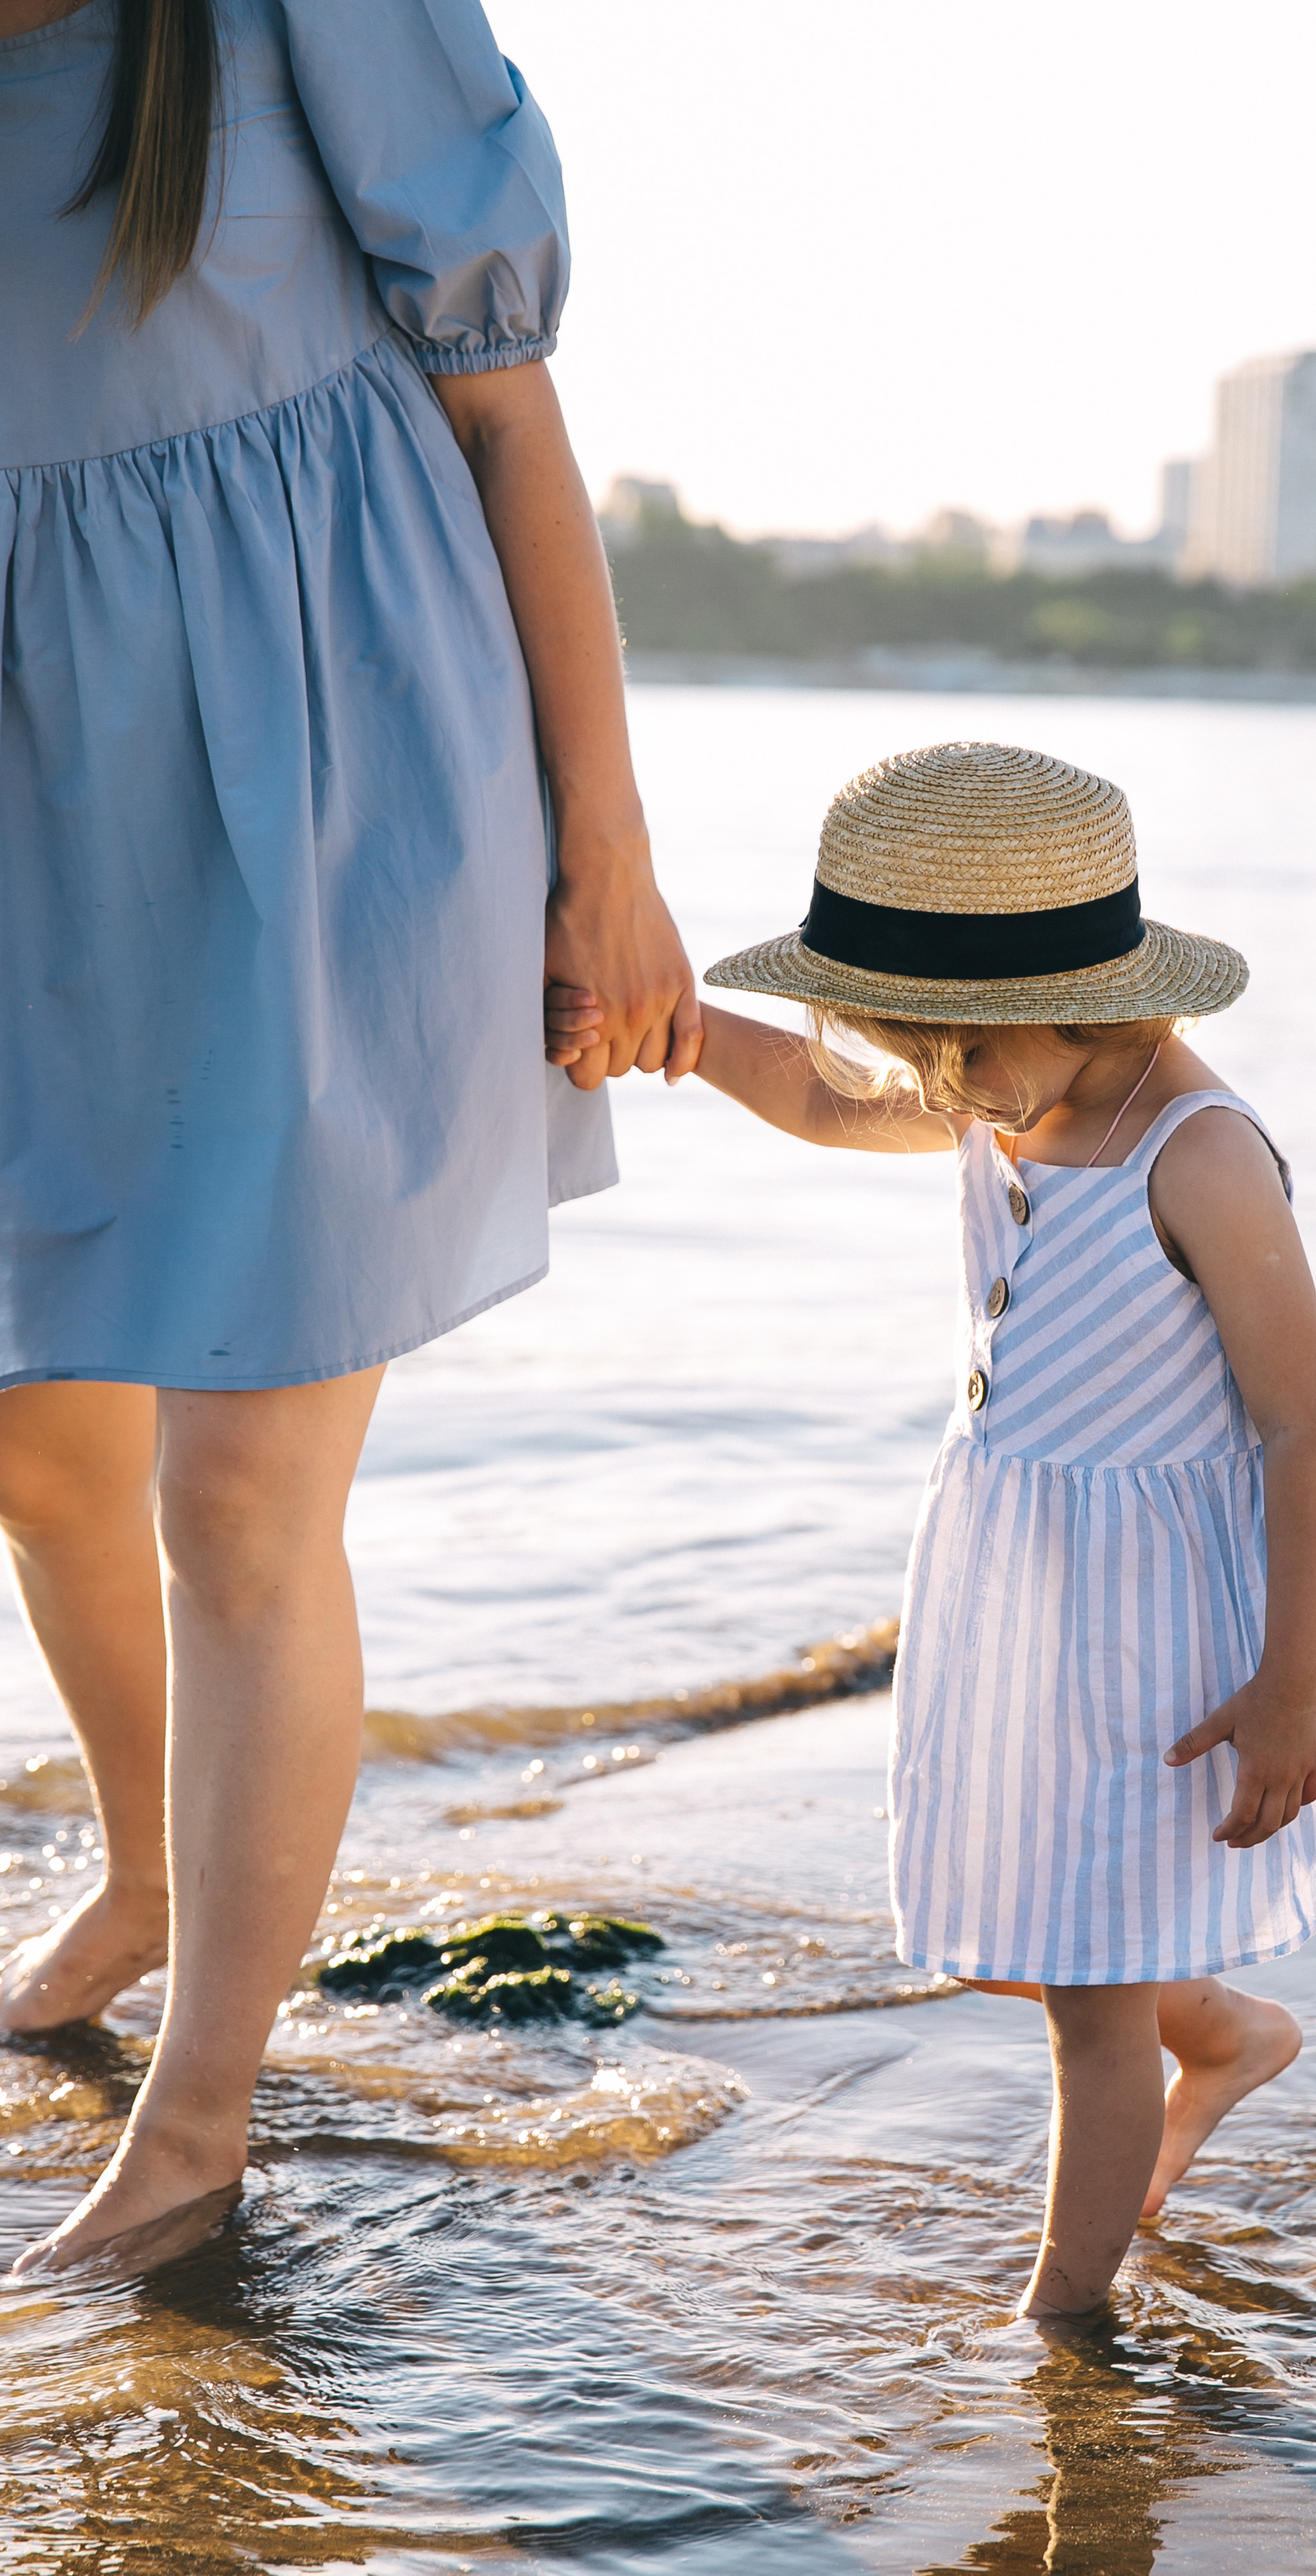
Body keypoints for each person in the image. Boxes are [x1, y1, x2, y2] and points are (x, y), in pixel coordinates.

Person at [0, 0, 697, 2274]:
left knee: (237, 1491)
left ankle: (194, 2135)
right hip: (46, 811)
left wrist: (608, 856)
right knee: (35, 1443)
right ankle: (149, 1873)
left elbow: (506, 412)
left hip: (341, 788)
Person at [551, 740, 1316, 2320]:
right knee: (1014, 1924)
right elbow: (820, 1095)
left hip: (1159, 1627)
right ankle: (1219, 2033)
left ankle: (1062, 2322)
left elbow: (1305, 1428)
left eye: (955, 1059)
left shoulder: (1196, 1153)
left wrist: (1290, 1687)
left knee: (1084, 1996)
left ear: (1079, 995)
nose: (938, 1095)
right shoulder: (1013, 1087)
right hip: (1021, 1592)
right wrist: (672, 1037)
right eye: (913, 1061)